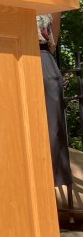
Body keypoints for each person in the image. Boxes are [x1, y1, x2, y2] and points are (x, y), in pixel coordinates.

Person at [37, 14, 73, 188]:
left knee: (52, 125)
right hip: (3, 50)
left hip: (42, 52)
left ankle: (48, 186)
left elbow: (56, 16)